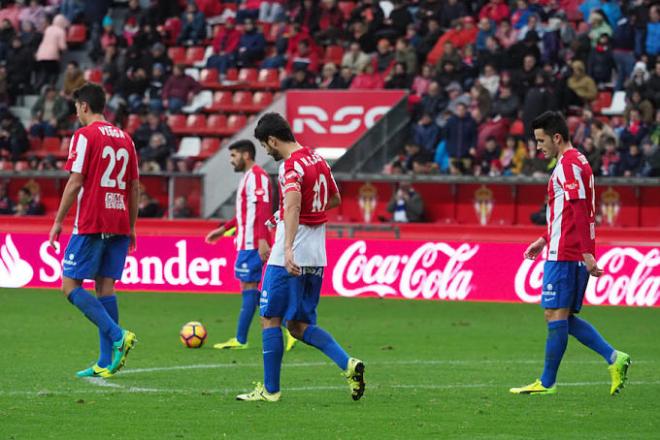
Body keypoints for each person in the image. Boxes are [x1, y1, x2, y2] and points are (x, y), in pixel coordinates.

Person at [236, 113, 364, 402]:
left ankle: (270, 391)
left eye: (265, 145)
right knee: (298, 325)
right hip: (317, 256)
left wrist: (289, 245)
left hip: (288, 257)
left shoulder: (290, 167)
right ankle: (349, 364)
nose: (267, 151)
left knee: (269, 317)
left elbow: (293, 207)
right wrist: (289, 213)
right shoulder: (317, 160)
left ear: (272, 140)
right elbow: (333, 199)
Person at [510, 111, 630, 396]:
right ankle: (615, 358)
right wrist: (543, 238)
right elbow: (566, 210)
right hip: (561, 247)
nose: (538, 147)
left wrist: (588, 253)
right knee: (558, 315)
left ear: (556, 137)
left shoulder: (567, 165)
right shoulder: (578, 161)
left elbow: (578, 210)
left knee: (555, 313)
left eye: (541, 141)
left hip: (566, 252)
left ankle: (547, 382)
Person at [47, 83, 139, 379]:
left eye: (76, 107)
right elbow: (134, 187)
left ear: (84, 106)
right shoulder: (126, 139)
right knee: (105, 288)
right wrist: (132, 226)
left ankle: (117, 335)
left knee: (69, 286)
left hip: (92, 221)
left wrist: (58, 220)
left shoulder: (84, 136)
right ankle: (104, 361)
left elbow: (75, 182)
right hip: (119, 221)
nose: (76, 113)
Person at [204, 140, 296, 352]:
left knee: (249, 289)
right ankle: (290, 328)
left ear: (246, 155)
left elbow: (264, 208)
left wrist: (262, 240)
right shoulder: (248, 177)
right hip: (247, 241)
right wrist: (223, 229)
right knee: (253, 291)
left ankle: (241, 339)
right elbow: (245, 214)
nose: (231, 160)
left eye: (234, 155)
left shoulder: (257, 176)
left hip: (253, 243)